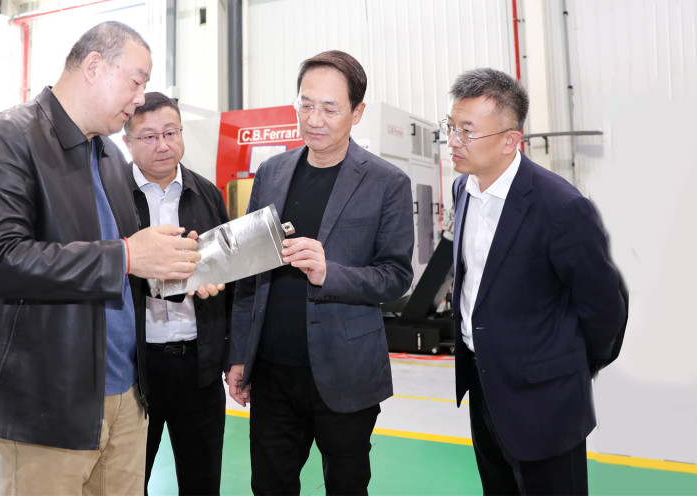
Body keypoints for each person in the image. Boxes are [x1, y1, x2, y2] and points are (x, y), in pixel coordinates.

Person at [0, 21, 205, 495]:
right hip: (48, 402)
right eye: (136, 81)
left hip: (126, 396)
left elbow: (123, 262)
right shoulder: (7, 139)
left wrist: (175, 269)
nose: (139, 99)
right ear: (93, 66)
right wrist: (128, 256)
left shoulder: (108, 155)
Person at [226, 50, 414, 495]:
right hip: (272, 371)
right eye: (306, 104)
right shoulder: (272, 173)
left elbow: (395, 276)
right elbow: (250, 273)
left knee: (346, 485)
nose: (314, 119)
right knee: (269, 485)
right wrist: (239, 354)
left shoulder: (387, 182)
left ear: (357, 112)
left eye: (329, 108)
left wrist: (331, 272)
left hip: (345, 372)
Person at [446, 68, 626, 494]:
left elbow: (604, 308)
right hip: (484, 386)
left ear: (510, 139)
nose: (453, 141)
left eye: (467, 131)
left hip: (546, 402)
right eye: (450, 127)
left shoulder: (561, 206)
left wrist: (569, 368)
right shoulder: (462, 190)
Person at [123, 92, 232, 495]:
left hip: (198, 367)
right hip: (134, 371)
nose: (162, 145)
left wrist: (231, 355)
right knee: (127, 482)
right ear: (128, 142)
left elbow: (231, 279)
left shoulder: (208, 194)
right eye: (149, 136)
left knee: (202, 482)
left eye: (170, 132)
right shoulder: (113, 198)